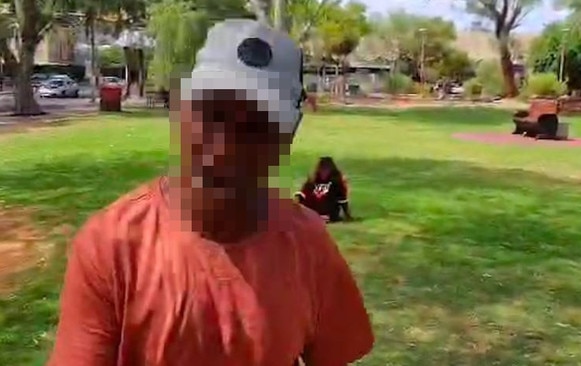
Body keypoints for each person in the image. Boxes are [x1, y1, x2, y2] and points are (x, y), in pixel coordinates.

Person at [48, 19, 373, 366]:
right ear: (183, 114)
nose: (223, 150)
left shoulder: (308, 245)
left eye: (254, 128)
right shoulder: (111, 247)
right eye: (212, 115)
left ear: (284, 142)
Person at [295, 157, 353, 223]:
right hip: (311, 211)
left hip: (329, 213)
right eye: (322, 169)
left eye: (326, 169)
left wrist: (347, 215)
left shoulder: (336, 182)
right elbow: (302, 194)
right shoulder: (312, 181)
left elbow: (342, 199)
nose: (324, 172)